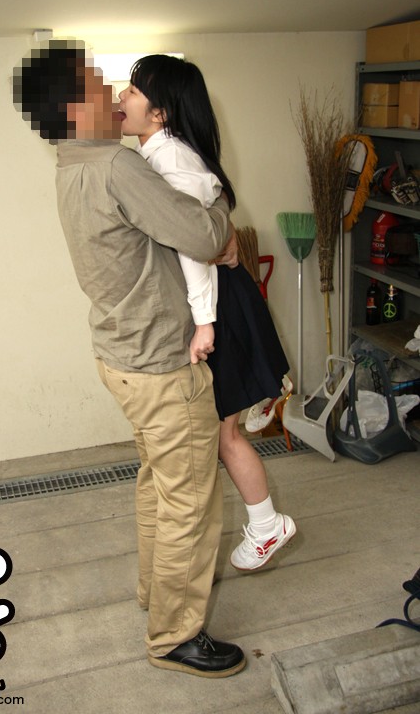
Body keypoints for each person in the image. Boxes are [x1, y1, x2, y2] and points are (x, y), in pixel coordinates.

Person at [12, 40, 246, 678]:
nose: (115, 93)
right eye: (99, 82)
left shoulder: (70, 166)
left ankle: (155, 594)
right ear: (73, 105)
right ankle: (174, 637)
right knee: (190, 501)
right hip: (162, 362)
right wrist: (220, 209)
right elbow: (204, 233)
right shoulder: (117, 165)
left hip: (120, 355)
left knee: (159, 484)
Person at [118, 54, 296, 572]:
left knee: (223, 432)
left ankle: (266, 525)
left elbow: (196, 246)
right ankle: (264, 524)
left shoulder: (171, 159)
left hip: (219, 304)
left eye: (133, 90)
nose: (122, 97)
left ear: (161, 113)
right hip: (216, 301)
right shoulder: (157, 154)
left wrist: (204, 322)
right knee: (221, 432)